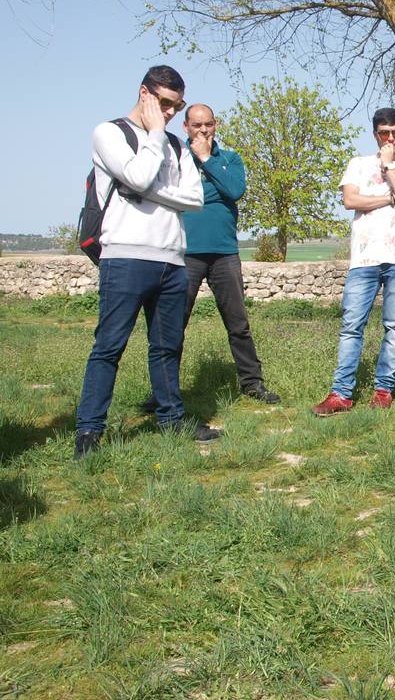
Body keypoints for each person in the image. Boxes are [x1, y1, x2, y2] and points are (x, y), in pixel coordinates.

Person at [75, 65, 219, 460]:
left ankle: (172, 420)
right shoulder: (110, 133)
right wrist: (154, 136)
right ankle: (89, 431)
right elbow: (137, 174)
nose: (171, 112)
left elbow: (195, 199)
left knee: (167, 347)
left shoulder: (177, 146)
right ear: (145, 94)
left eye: (178, 105)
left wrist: (149, 190)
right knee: (109, 346)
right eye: (165, 103)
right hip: (124, 256)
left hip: (172, 260)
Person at [143, 104, 279, 411]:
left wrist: (206, 160)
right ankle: (163, 392)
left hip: (224, 253)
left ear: (215, 126)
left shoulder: (230, 159)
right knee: (174, 325)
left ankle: (252, 383)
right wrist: (210, 189)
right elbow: (170, 196)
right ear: (186, 127)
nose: (203, 130)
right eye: (196, 125)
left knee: (238, 323)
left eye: (208, 125)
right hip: (184, 252)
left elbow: (235, 189)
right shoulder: (175, 158)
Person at [312, 108, 395, 415]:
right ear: (375, 134)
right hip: (364, 258)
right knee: (351, 326)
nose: (391, 138)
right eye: (384, 133)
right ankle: (341, 394)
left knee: (394, 325)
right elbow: (351, 200)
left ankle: (383, 390)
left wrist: (389, 168)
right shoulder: (358, 164)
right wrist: (390, 198)